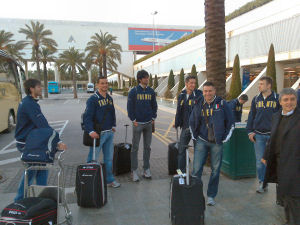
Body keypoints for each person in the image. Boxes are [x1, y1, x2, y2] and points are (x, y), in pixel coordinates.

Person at [14, 79, 67, 201]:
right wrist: (58, 141)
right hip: (27, 144)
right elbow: (42, 124)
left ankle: (41, 198)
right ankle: (18, 200)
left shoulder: (29, 102)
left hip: (32, 142)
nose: (41, 88)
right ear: (32, 89)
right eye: (39, 87)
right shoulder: (29, 104)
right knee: (31, 171)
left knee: (42, 169)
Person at [189, 81, 234, 206]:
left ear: (214, 91)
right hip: (202, 141)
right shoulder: (198, 104)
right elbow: (192, 121)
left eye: (210, 91)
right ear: (203, 92)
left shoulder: (222, 104)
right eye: (205, 91)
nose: (207, 93)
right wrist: (195, 137)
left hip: (217, 143)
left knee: (215, 170)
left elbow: (231, 122)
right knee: (196, 169)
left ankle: (211, 196)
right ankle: (195, 194)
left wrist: (224, 139)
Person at [261, 88, 300, 225]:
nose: (289, 102)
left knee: (294, 196)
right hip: (279, 163)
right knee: (284, 196)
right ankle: (289, 219)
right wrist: (266, 155)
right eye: (286, 99)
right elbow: (272, 137)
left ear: (296, 100)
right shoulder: (276, 116)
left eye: (292, 99)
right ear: (280, 101)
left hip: (294, 164)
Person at [83, 76, 120, 188]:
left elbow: (112, 113)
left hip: (109, 133)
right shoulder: (93, 99)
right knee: (92, 159)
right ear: (97, 85)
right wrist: (90, 131)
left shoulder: (109, 98)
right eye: (102, 83)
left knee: (108, 159)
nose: (105, 85)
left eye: (106, 83)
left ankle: (110, 180)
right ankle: (90, 182)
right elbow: (87, 117)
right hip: (98, 134)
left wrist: (113, 125)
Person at [246, 76, 280, 193]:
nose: (259, 86)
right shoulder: (256, 99)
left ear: (269, 85)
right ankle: (262, 183)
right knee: (260, 162)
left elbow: (281, 117)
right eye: (259, 84)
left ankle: (280, 187)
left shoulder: (277, 98)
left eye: (261, 84)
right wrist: (250, 131)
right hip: (259, 136)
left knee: (276, 161)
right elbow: (251, 116)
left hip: (273, 136)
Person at [127, 70, 157, 182]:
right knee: (135, 148)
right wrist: (133, 120)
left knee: (147, 148)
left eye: (148, 77)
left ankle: (146, 169)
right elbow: (130, 107)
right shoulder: (133, 91)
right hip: (137, 124)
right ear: (140, 79)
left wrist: (153, 118)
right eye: (145, 78)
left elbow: (154, 105)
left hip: (149, 123)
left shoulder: (151, 91)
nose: (147, 79)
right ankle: (134, 171)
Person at [174, 75, 203, 172]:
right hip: (185, 127)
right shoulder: (181, 96)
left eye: (194, 83)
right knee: (181, 150)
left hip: (196, 129)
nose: (193, 85)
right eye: (191, 83)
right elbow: (179, 111)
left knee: (198, 151)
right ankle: (180, 172)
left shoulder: (199, 95)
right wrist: (177, 122)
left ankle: (197, 172)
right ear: (186, 83)